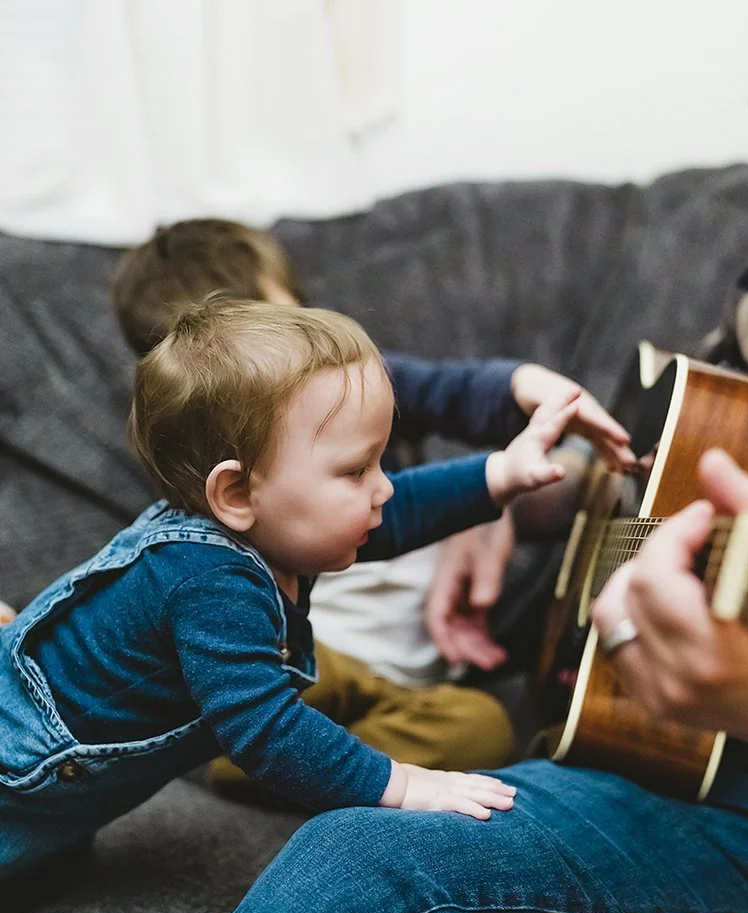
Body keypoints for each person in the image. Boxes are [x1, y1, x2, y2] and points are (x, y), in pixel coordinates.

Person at [57, 448, 748, 913]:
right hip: (684, 787)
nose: (382, 487)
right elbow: (629, 452)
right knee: (360, 868)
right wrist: (522, 501)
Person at [0, 295, 605, 879]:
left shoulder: (275, 530)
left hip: (61, 795)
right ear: (237, 493)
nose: (383, 487)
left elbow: (396, 514)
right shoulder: (208, 579)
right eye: (356, 471)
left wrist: (501, 473)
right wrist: (401, 782)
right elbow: (266, 731)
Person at [113, 218, 631, 781]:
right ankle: (262, 744)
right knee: (279, 684)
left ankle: (289, 762)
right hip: (303, 661)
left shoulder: (348, 387)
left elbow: (453, 392)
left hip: (404, 685)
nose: (305, 355)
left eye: (300, 322)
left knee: (482, 728)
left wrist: (526, 386)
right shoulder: (204, 507)